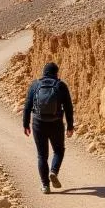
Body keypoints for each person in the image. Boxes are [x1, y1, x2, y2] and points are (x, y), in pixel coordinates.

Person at [22, 62, 74, 194]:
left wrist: (25, 124)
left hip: (38, 124)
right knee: (58, 150)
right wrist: (70, 126)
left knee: (42, 156)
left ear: (43, 72)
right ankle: (54, 171)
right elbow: (68, 107)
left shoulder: (35, 85)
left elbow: (27, 107)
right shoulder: (61, 85)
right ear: (56, 73)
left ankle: (45, 186)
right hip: (56, 123)